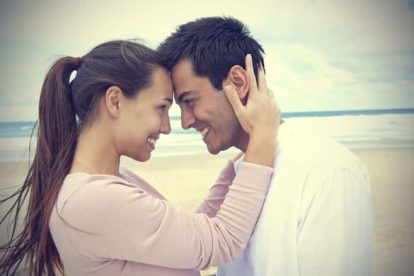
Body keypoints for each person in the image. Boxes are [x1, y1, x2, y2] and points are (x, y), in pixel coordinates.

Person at [0, 40, 280, 275]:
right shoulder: (92, 199)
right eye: (161, 107)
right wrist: (262, 137)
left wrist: (238, 164)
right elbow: (221, 241)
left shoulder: (110, 183)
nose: (167, 127)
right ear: (115, 101)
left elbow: (191, 238)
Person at [157, 16, 373, 275]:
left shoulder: (327, 171)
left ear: (237, 83)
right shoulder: (242, 173)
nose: (185, 121)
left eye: (189, 101)